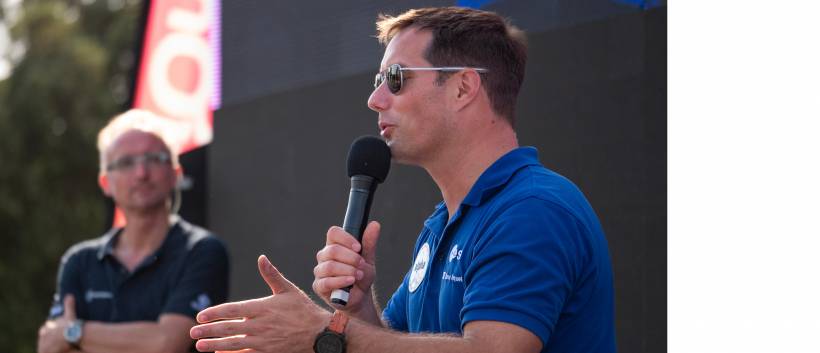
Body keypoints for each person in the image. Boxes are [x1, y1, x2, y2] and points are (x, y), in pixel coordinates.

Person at [190, 6, 615, 353]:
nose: (375, 99)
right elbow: (394, 345)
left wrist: (328, 331)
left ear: (464, 87)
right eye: (379, 81)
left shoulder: (532, 209)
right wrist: (357, 309)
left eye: (395, 78)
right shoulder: (444, 224)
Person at [37, 109, 230, 353]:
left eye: (154, 158)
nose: (141, 173)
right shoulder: (79, 261)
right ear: (106, 183)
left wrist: (75, 331)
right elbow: (49, 345)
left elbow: (166, 343)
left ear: (176, 174)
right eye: (126, 162)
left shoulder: (202, 251)